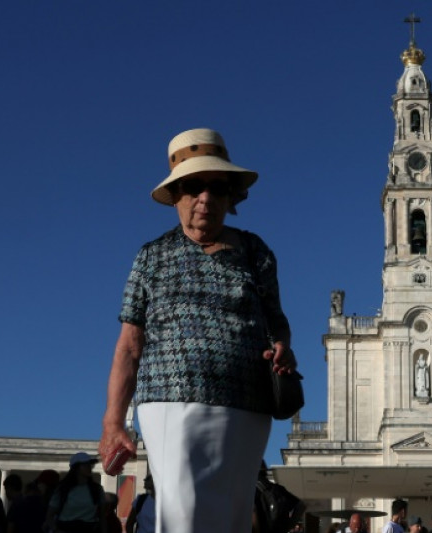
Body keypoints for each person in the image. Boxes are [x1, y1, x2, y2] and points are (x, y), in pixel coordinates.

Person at [99, 128, 296, 533]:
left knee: (235, 513)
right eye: (193, 187)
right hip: (170, 402)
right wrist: (113, 422)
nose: (206, 198)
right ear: (176, 195)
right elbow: (129, 346)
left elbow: (277, 322)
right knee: (181, 512)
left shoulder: (256, 252)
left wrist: (282, 347)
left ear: (231, 197)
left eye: (217, 188)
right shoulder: (151, 257)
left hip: (247, 402)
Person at [45, 453, 105, 533]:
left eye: (90, 465)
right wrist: (57, 530)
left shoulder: (97, 489)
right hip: (66, 528)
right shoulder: (62, 489)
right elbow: (49, 515)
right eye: (85, 465)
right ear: (76, 468)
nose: (89, 467)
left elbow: (102, 517)